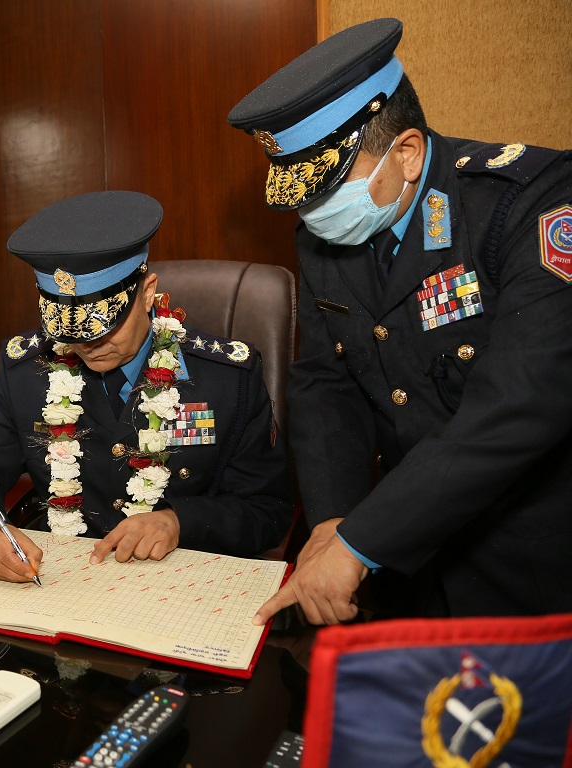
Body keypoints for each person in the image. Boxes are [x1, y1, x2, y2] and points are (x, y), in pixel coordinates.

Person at [227, 18, 572, 625]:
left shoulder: (531, 203)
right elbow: (326, 382)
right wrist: (334, 519)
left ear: (407, 153)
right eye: (302, 196)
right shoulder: (324, 237)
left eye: (326, 189)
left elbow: (517, 406)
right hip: (402, 562)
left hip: (527, 560)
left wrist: (360, 542)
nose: (313, 213)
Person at [0, 190, 292, 583]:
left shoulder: (228, 377)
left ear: (147, 292)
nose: (88, 345)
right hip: (61, 580)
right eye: (70, 331)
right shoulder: (24, 372)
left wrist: (180, 521)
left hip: (180, 585)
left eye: (103, 326)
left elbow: (267, 511)